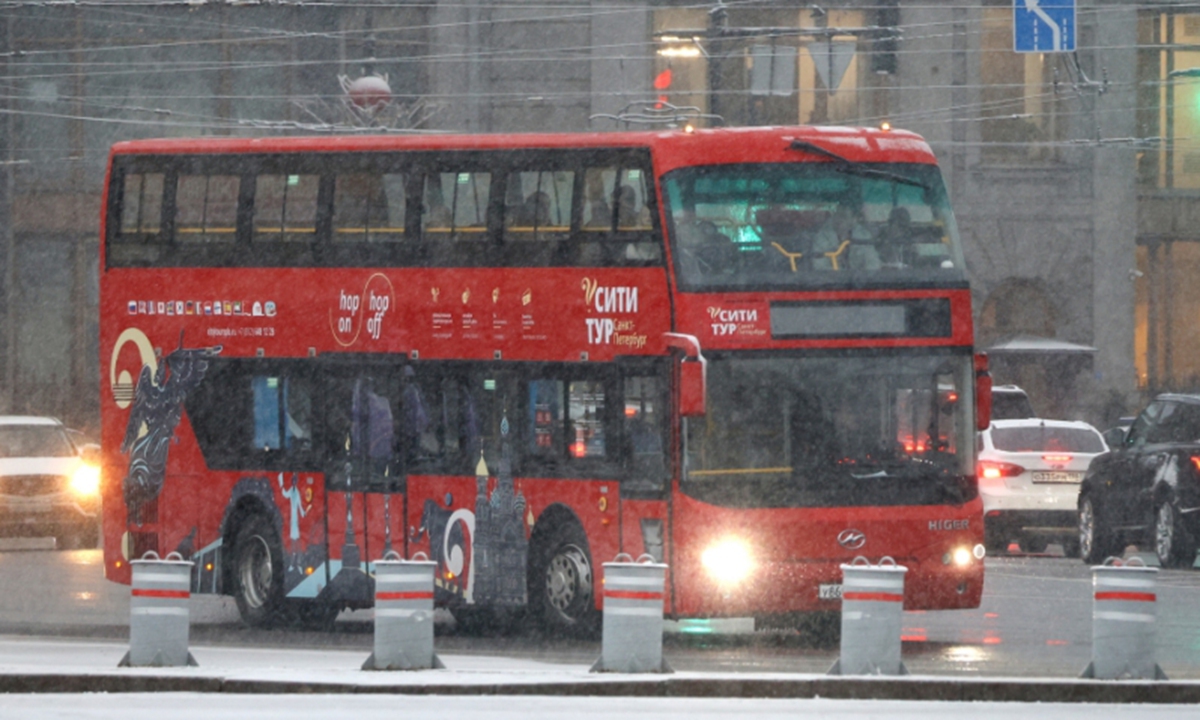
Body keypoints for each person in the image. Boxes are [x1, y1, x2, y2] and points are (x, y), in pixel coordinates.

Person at [811, 204, 876, 271]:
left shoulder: (864, 236)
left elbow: (873, 264)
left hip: (862, 280)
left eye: (844, 216)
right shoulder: (822, 237)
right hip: (830, 280)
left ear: (853, 220)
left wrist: (860, 277)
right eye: (837, 215)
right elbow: (820, 266)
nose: (839, 219)